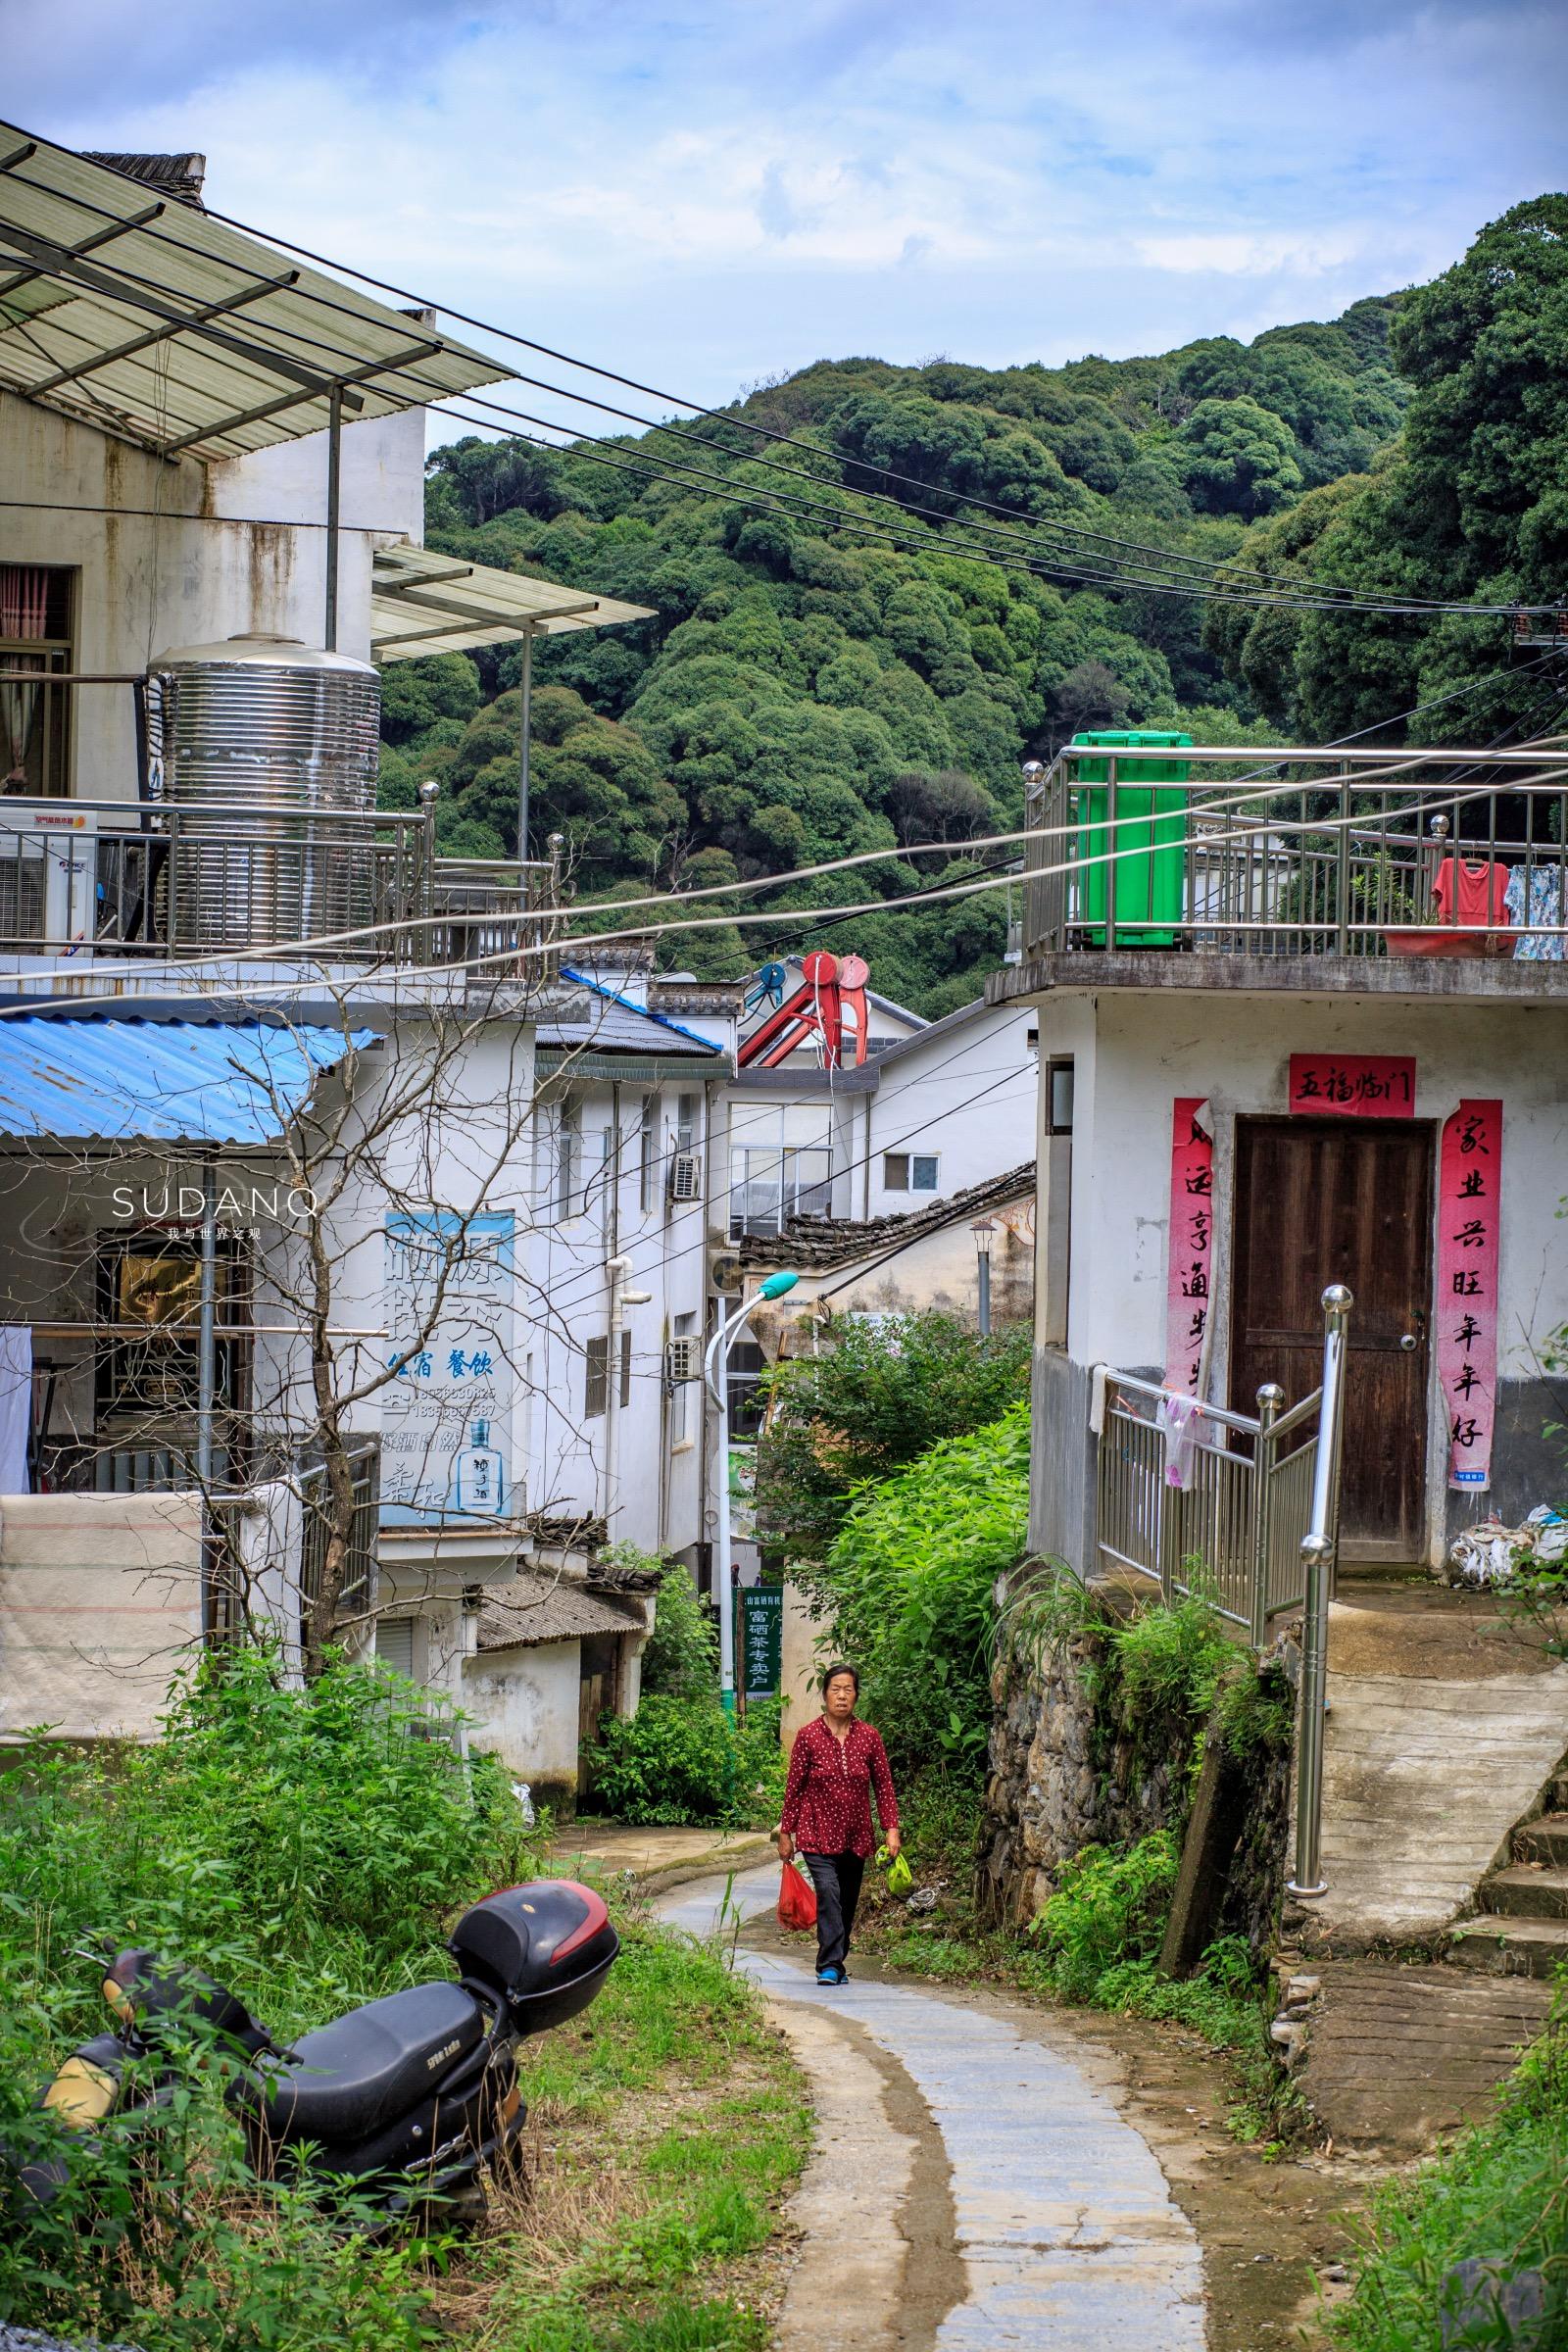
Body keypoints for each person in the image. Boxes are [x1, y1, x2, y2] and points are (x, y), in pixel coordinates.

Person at [777, 1662, 900, 1985]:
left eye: (848, 1690)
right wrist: (785, 1833)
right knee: (829, 1892)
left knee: (846, 1899)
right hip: (815, 1831)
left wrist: (891, 1829)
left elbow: (883, 1786)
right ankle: (829, 1965)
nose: (842, 1696)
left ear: (856, 1696)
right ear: (825, 1695)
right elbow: (795, 1788)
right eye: (836, 1690)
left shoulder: (870, 1738)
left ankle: (835, 1961)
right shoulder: (808, 1737)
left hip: (856, 1834)